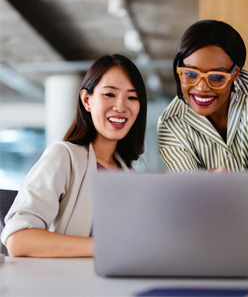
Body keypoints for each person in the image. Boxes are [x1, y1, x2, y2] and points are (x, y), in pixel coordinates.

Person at [157, 20, 248, 260]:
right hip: (244, 223)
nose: (201, 88)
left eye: (216, 77)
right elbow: (192, 199)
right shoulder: (171, 124)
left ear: (235, 72)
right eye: (190, 74)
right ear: (178, 69)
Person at [1, 54, 147, 257]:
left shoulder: (129, 174)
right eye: (109, 94)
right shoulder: (64, 156)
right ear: (87, 100)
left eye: (132, 97)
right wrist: (107, 247)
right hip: (70, 285)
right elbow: (19, 239)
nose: (121, 106)